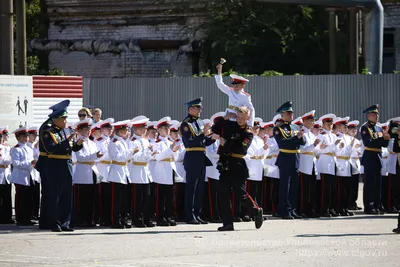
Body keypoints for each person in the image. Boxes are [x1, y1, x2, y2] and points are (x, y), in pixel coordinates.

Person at [212, 106, 263, 231]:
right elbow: (215, 129)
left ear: (248, 118)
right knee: (223, 193)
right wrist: (225, 118)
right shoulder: (230, 125)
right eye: (238, 116)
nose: (239, 119)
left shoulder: (248, 133)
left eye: (242, 118)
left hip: (238, 164)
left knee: (240, 193)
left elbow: (241, 149)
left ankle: (256, 210)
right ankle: (227, 223)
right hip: (225, 162)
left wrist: (226, 143)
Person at [36, 100, 84, 232]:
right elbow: (50, 148)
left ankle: (65, 222)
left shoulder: (62, 129)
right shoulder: (47, 129)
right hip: (52, 166)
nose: (65, 122)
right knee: (53, 195)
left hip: (65, 165)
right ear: (56, 119)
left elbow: (71, 148)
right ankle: (53, 222)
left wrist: (78, 143)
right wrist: (67, 142)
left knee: (66, 195)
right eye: (63, 119)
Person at [180, 98, 215, 224]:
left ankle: (197, 214)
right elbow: (189, 141)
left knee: (200, 187)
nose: (200, 110)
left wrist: (213, 138)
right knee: (191, 188)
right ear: (190, 109)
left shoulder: (199, 122)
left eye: (200, 108)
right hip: (192, 155)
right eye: (197, 108)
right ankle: (189, 216)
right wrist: (204, 134)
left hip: (201, 156)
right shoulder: (186, 124)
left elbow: (204, 141)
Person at [273, 101, 305, 220]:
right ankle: (284, 210)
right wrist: (296, 138)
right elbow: (283, 143)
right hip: (285, 158)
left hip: (295, 158)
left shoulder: (296, 127)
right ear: (282, 115)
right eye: (288, 113)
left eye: (291, 113)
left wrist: (299, 138)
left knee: (294, 186)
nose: (291, 115)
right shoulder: (278, 128)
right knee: (284, 186)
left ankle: (292, 209)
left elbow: (303, 142)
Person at [72, 118, 103, 227]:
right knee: (82, 198)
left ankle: (90, 219)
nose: (88, 131)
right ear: (79, 131)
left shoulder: (92, 142)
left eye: (89, 129)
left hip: (92, 170)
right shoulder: (78, 142)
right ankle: (81, 220)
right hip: (83, 172)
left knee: (92, 198)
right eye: (85, 129)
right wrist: (95, 156)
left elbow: (95, 157)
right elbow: (81, 157)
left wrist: (98, 156)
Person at [360, 104, 390, 214]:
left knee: (378, 183)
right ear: (368, 116)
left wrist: (386, 139)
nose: (376, 116)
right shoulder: (365, 128)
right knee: (369, 183)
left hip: (378, 156)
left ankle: (377, 204)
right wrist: (382, 139)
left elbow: (384, 144)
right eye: (374, 114)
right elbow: (368, 142)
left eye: (377, 114)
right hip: (369, 156)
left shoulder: (378, 127)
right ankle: (369, 205)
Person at [128, 116, 156, 228]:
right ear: (136, 129)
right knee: (137, 198)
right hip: (137, 171)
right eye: (142, 128)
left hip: (145, 170)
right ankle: (137, 219)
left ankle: (146, 218)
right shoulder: (133, 141)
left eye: (145, 128)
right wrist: (148, 152)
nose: (145, 130)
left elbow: (147, 157)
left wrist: (149, 153)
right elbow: (137, 157)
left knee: (146, 197)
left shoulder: (145, 140)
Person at [153, 117, 180, 226]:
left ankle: (168, 216)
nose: (168, 130)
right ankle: (160, 218)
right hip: (161, 169)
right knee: (161, 197)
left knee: (170, 196)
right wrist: (170, 150)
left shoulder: (170, 141)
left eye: (168, 128)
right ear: (159, 130)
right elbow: (158, 157)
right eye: (165, 128)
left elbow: (175, 157)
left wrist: (174, 151)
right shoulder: (157, 143)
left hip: (170, 168)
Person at [107, 120, 134, 229]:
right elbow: (117, 157)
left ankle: (123, 218)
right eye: (125, 130)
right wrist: (131, 152)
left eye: (127, 130)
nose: (127, 132)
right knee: (116, 199)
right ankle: (115, 220)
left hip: (124, 170)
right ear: (119, 131)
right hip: (116, 171)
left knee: (124, 199)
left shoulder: (122, 141)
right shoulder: (114, 142)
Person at [10, 127, 37, 226]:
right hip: (20, 177)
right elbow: (16, 163)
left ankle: (27, 218)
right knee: (21, 199)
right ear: (18, 138)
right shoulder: (16, 149)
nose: (26, 138)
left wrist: (33, 164)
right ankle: (21, 219)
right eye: (23, 136)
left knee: (28, 199)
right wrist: (30, 163)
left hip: (29, 176)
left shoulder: (29, 148)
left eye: (26, 136)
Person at [315, 114, 340, 217]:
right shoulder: (321, 136)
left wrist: (336, 147)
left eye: (331, 124)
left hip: (332, 161)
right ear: (323, 124)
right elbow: (319, 150)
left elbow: (337, 151)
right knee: (325, 188)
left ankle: (331, 208)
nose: (330, 125)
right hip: (324, 162)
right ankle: (324, 208)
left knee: (332, 187)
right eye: (327, 124)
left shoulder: (334, 136)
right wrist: (332, 146)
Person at [298, 110, 320, 218]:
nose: (313, 122)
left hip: (312, 163)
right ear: (305, 121)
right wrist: (313, 146)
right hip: (304, 164)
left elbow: (315, 150)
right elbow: (301, 149)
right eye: (311, 120)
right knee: (304, 189)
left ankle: (311, 209)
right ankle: (303, 210)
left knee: (312, 188)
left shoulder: (312, 134)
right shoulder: (302, 133)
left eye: (313, 120)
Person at [94, 118, 114, 226]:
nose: (110, 131)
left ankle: (108, 217)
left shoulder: (111, 141)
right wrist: (108, 155)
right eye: (107, 129)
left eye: (111, 129)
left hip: (110, 168)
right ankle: (101, 218)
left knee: (109, 196)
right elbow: (96, 157)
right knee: (102, 196)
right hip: (102, 168)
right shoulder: (98, 142)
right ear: (101, 130)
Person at [347, 120, 363, 211]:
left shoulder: (357, 140)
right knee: (350, 184)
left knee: (355, 184)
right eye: (352, 129)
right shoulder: (347, 139)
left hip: (356, 162)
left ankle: (354, 202)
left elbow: (360, 152)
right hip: (350, 161)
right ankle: (349, 202)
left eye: (355, 129)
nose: (354, 131)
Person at [27, 126, 41, 220]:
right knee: (30, 195)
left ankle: (36, 213)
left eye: (36, 135)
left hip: (36, 172)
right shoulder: (27, 146)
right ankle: (30, 214)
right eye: (33, 135)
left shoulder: (36, 146)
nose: (35, 137)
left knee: (36, 194)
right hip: (29, 172)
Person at [0, 127, 13, 224]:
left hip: (6, 173)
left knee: (7, 196)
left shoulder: (7, 147)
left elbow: (9, 159)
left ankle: (7, 217)